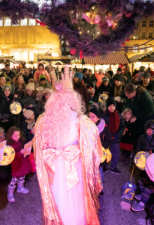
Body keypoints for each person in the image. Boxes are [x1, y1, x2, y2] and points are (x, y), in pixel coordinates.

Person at [33, 66, 102, 225]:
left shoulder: (43, 120)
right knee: (76, 198)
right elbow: (93, 144)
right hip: (73, 165)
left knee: (58, 196)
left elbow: (39, 148)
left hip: (54, 168)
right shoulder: (80, 120)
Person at [6, 127, 31, 202]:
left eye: (19, 135)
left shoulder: (19, 142)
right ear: (10, 136)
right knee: (14, 180)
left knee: (22, 177)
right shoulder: (10, 145)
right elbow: (11, 155)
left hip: (22, 163)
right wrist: (20, 152)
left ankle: (20, 188)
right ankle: (10, 193)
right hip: (16, 165)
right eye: (15, 136)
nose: (18, 137)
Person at [102, 97, 125, 174]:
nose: (111, 108)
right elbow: (102, 127)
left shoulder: (119, 115)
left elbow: (122, 127)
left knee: (115, 153)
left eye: (113, 106)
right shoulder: (104, 116)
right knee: (105, 153)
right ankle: (104, 166)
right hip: (106, 139)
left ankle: (113, 167)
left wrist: (117, 135)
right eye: (109, 106)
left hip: (115, 138)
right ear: (107, 106)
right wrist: (107, 136)